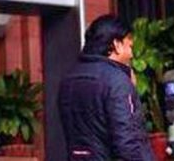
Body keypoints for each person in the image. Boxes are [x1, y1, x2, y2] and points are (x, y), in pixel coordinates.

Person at [58, 14, 154, 160]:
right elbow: (127, 143)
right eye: (130, 46)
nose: (131, 54)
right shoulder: (116, 81)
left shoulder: (68, 80)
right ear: (116, 45)